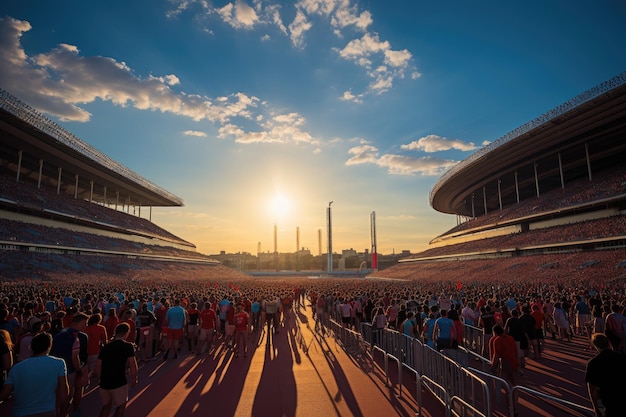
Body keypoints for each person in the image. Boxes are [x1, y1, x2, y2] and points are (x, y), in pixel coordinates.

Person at [0, 332, 69, 417]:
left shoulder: (17, 368)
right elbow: (63, 390)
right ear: (50, 345)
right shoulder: (59, 363)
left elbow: (5, 393)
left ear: (31, 347)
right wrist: (63, 410)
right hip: (47, 411)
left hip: (21, 412)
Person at [96, 322, 138, 417]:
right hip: (119, 381)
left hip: (104, 382)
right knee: (121, 406)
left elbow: (98, 364)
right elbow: (133, 364)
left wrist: (100, 378)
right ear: (126, 333)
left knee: (106, 406)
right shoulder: (128, 346)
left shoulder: (106, 346)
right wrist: (134, 378)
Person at [50, 312, 88, 417]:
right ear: (77, 322)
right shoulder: (80, 337)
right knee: (71, 393)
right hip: (72, 369)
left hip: (57, 370)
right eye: (84, 323)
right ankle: (69, 412)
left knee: (58, 394)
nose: (85, 326)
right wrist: (79, 370)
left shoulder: (58, 335)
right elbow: (76, 356)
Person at [585, 333, 626, 417]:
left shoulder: (593, 363)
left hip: (607, 400)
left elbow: (591, 389)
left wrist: (596, 408)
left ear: (596, 346)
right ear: (608, 343)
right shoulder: (621, 357)